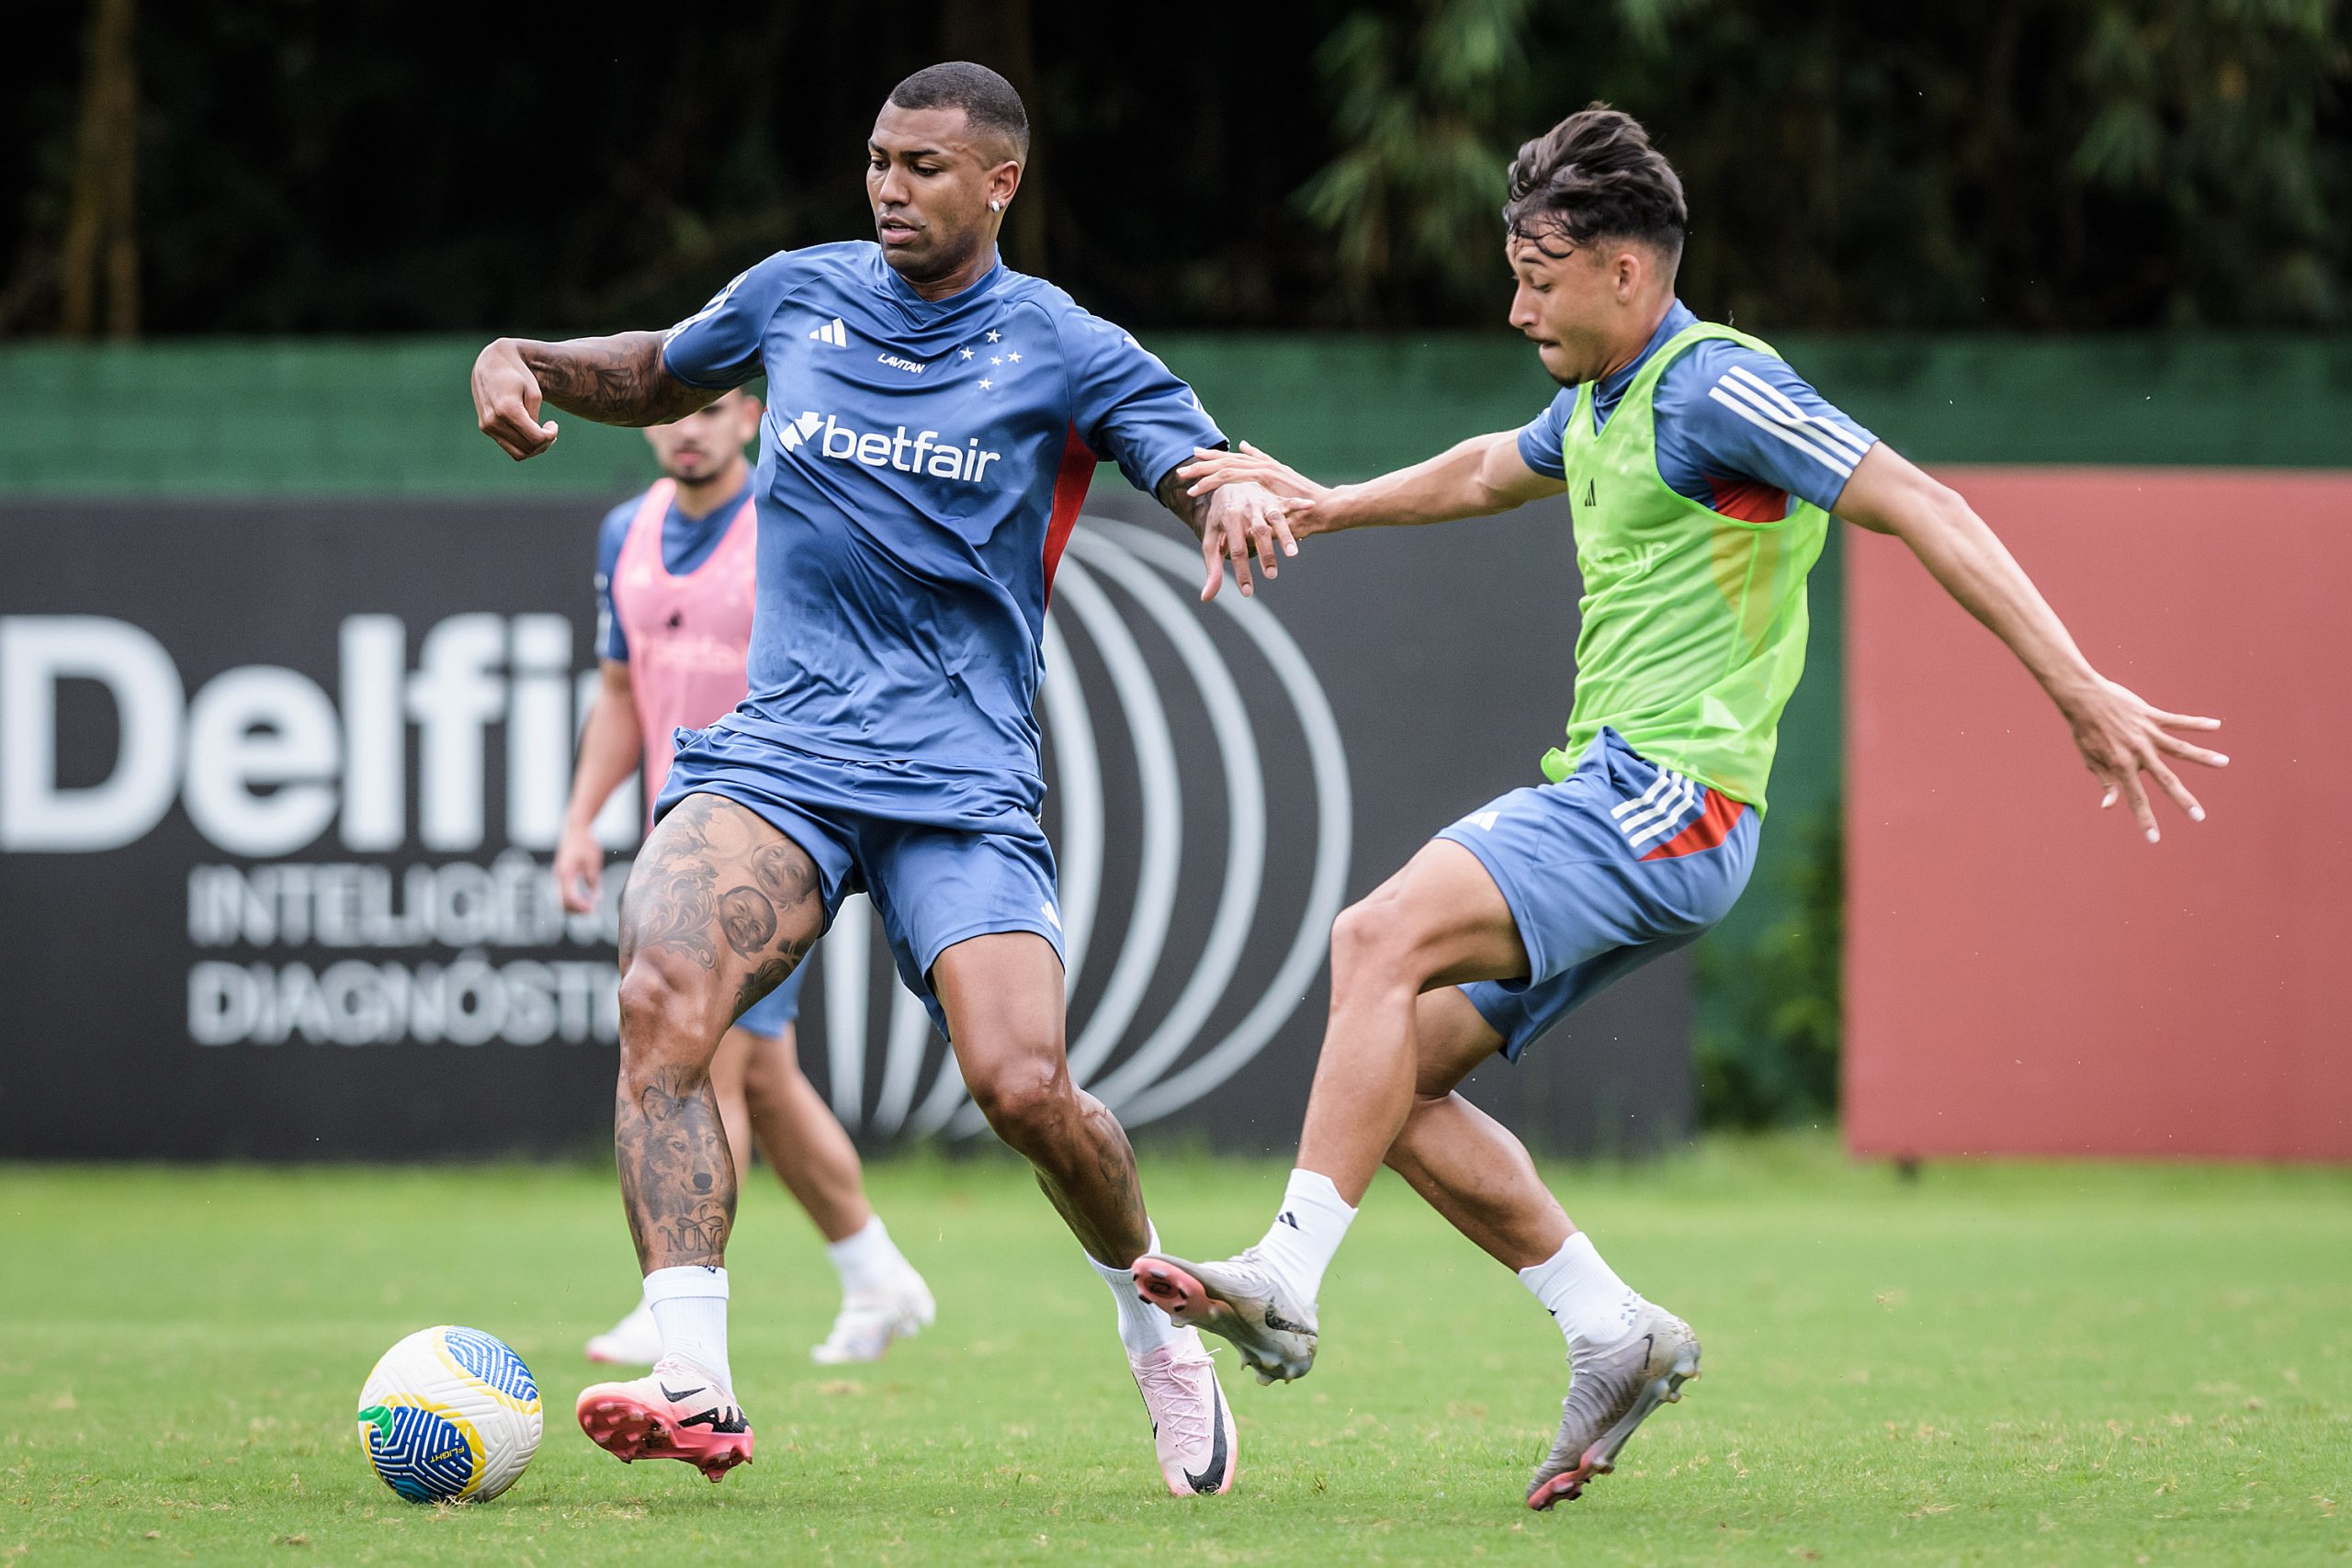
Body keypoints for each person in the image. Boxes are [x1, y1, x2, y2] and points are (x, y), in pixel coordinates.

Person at [1142, 104, 2228, 1512]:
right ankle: (1612, 1327)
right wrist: (1332, 503)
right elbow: (1488, 467)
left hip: (1673, 793)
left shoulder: (1717, 383)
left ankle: (1283, 1282)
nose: (1516, 299)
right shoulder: (1595, 399)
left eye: (1540, 273)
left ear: (1629, 275)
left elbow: (1916, 498)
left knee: (1373, 932)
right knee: (1391, 1074)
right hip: (1624, 795)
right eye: (1516, 267)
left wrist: (2074, 683)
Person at [470, 62, 1291, 1495]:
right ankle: (696, 1378)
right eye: (877, 161)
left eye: (923, 166)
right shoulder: (799, 292)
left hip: (959, 778)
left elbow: (1185, 453)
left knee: (1026, 1087)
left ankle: (1150, 1325)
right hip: (780, 753)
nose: (891, 188)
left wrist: (1226, 489)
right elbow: (664, 369)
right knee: (663, 993)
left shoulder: (1064, 343)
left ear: (1001, 184)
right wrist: (527, 356)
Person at [555, 386, 934, 1370]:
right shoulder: (621, 535)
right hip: (671, 846)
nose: (690, 425)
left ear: (753, 417)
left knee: (702, 1055)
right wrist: (577, 822)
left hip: (773, 839)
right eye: (672, 408)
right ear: (642, 419)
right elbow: (618, 692)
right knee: (759, 1075)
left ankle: (675, 1296)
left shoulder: (791, 525)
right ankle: (875, 1273)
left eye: (713, 407)